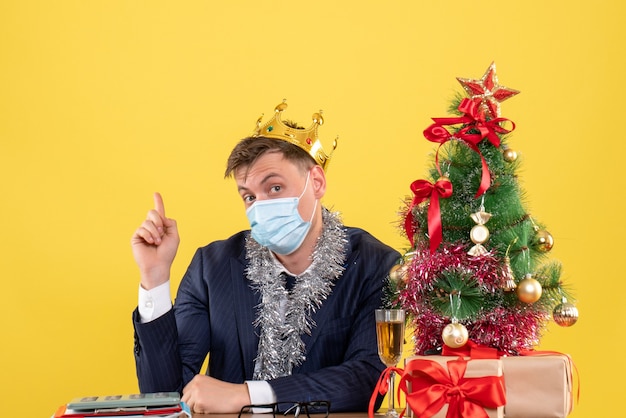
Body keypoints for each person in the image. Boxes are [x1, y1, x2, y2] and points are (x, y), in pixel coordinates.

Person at [130, 101, 400, 414]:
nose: (260, 206)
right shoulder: (212, 266)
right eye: (249, 196)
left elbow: (369, 379)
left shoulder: (376, 265)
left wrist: (246, 395)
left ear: (317, 182)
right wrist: (154, 278)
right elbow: (164, 396)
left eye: (274, 187)